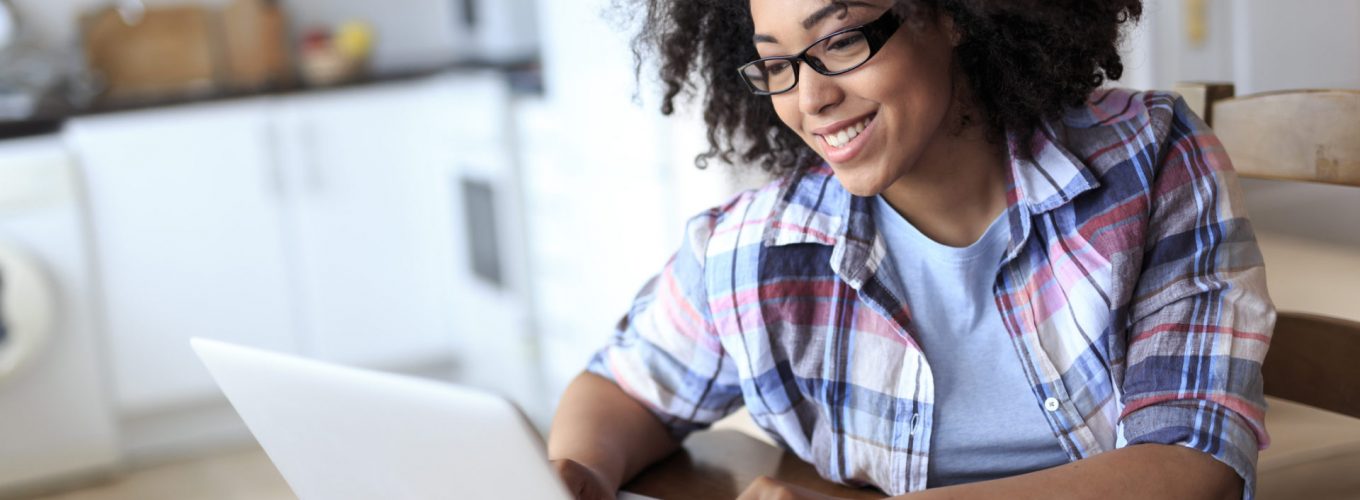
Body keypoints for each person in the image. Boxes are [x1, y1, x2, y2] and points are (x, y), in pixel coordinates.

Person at [547, 0, 1275, 499]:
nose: (811, 99)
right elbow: (621, 389)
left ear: (951, 14)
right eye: (776, 64)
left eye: (839, 39)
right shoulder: (753, 250)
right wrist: (578, 471)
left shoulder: (1147, 160)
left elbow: (1191, 464)